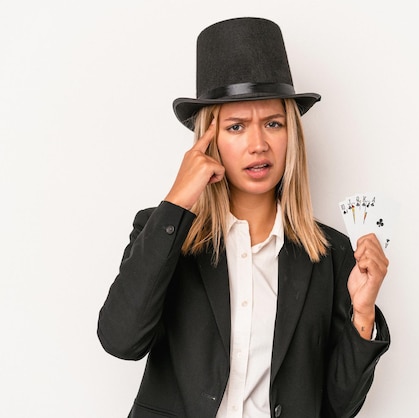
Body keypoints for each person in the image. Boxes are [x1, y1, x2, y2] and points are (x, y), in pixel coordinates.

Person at [98, 17, 390, 418]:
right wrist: (179, 198)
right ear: (209, 140)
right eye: (236, 127)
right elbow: (121, 341)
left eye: (273, 124)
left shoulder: (331, 253)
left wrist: (363, 311)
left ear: (292, 137)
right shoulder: (164, 233)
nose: (258, 144)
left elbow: (339, 406)